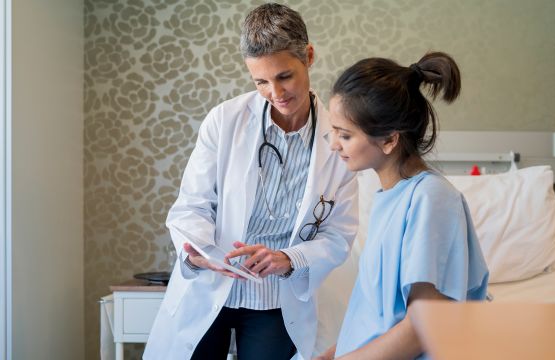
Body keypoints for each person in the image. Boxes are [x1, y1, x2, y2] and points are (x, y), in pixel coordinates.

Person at [143, 4, 358, 360]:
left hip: (275, 298)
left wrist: (289, 258)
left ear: (309, 56)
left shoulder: (339, 137)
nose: (276, 92)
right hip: (211, 283)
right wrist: (197, 254)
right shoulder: (224, 121)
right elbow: (191, 206)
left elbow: (339, 235)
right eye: (261, 81)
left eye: (285, 76)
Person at [316, 52, 489, 360]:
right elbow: (377, 317)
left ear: (389, 140)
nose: (333, 144)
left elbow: (422, 329)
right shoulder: (388, 197)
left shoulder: (431, 199)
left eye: (345, 135)